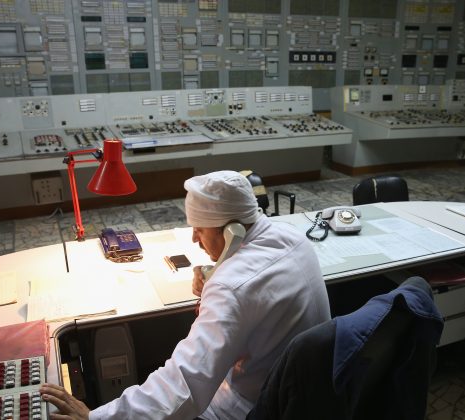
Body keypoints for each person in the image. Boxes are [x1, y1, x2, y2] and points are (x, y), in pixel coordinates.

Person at [40, 170, 331, 420]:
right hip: (308, 392)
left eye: (199, 229)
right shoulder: (292, 237)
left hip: (250, 407)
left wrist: (96, 416)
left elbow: (185, 386)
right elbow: (257, 278)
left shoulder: (231, 287)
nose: (194, 238)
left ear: (231, 232)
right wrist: (217, 271)